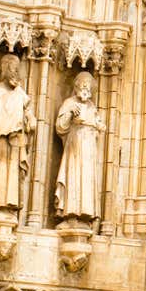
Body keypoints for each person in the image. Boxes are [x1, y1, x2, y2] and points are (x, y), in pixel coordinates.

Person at [0, 54, 35, 211]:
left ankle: (10, 206)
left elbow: (28, 113)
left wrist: (30, 121)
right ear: (4, 70)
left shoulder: (20, 93)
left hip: (15, 138)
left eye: (17, 69)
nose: (15, 73)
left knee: (12, 171)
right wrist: (10, 99)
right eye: (12, 69)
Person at [55, 71, 105, 222]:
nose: (85, 87)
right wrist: (70, 114)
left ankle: (85, 213)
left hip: (89, 148)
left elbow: (97, 125)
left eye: (88, 85)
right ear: (77, 86)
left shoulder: (92, 106)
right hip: (75, 144)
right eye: (83, 84)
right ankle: (70, 212)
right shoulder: (69, 103)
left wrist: (98, 127)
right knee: (73, 175)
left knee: (87, 178)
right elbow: (60, 127)